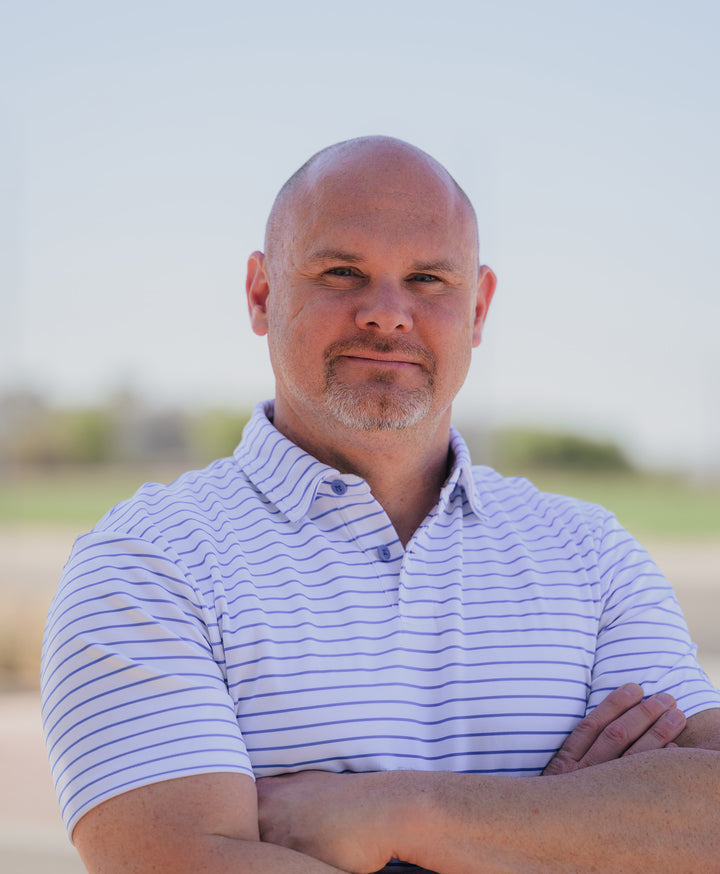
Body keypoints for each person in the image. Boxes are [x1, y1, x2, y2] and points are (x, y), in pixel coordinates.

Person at [41, 136, 720, 874]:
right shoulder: (149, 565)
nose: (388, 314)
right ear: (262, 294)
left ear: (478, 308)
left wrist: (403, 815)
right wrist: (562, 829)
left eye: (428, 278)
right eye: (342, 272)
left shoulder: (591, 556)